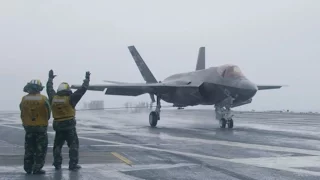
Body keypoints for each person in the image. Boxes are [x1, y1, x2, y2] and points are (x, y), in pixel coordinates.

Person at [46, 70, 90, 171]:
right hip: (69, 126)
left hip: (58, 125)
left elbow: (49, 89)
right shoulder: (71, 98)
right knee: (73, 145)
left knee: (57, 145)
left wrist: (50, 79)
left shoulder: (53, 98)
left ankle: (57, 164)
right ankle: (73, 164)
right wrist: (87, 79)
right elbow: (82, 90)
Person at [20, 79, 51, 174]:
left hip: (29, 127)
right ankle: (37, 168)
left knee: (29, 148)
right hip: (40, 127)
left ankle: (28, 168)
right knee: (40, 149)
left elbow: (22, 111)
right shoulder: (43, 98)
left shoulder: (24, 99)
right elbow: (48, 113)